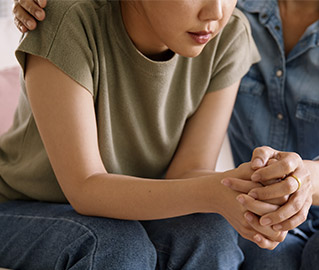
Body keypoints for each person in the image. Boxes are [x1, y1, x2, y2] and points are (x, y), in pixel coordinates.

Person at [13, 0, 319, 269]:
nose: (214, 12)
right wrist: (227, 190)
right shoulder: (71, 19)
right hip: (30, 203)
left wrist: (267, 185)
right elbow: (90, 188)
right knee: (120, 246)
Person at [0, 0, 287, 269]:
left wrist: (245, 186)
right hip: (21, 207)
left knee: (210, 233)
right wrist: (214, 191)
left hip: (130, 213)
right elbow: (84, 188)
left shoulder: (228, 34)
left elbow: (187, 172)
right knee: (113, 244)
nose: (215, 12)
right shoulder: (71, 20)